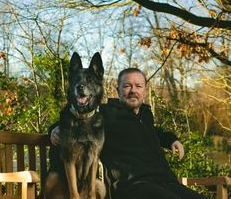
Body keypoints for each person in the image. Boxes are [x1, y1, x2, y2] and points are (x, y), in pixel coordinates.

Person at [49, 68, 206, 199]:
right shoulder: (106, 113)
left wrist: (171, 140)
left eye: (138, 86)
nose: (133, 91)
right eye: (127, 86)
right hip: (132, 187)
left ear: (145, 90)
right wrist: (56, 129)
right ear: (118, 90)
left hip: (166, 182)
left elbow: (153, 133)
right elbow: (79, 116)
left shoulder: (145, 115)